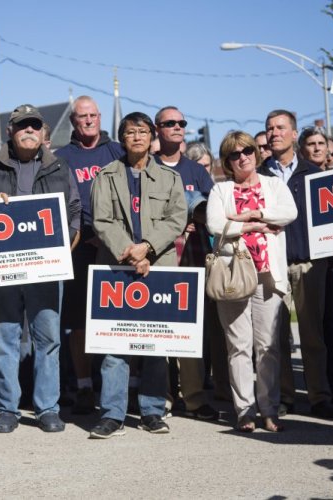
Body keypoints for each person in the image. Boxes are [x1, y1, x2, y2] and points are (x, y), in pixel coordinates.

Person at [0, 104, 81, 433]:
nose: (29, 131)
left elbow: (74, 211)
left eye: (35, 126)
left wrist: (67, 249)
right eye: (22, 126)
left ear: (43, 132)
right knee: (5, 338)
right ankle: (7, 409)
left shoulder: (59, 166)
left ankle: (47, 408)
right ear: (10, 131)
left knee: (47, 339)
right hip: (2, 268)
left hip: (46, 269)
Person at [88, 111, 186, 438]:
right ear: (122, 138)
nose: (137, 137)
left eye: (143, 131)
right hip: (118, 268)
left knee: (156, 345)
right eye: (131, 132)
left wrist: (147, 248)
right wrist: (132, 253)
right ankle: (112, 414)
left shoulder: (170, 178)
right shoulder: (106, 176)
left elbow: (176, 219)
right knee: (115, 345)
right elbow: (102, 220)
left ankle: (152, 412)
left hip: (158, 266)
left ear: (151, 137)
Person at [207, 131, 296, 432]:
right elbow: (215, 224)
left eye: (247, 150)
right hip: (234, 274)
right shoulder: (221, 191)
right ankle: (244, 410)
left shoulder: (274, 185)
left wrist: (254, 212)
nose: (242, 157)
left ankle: (269, 409)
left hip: (268, 276)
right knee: (239, 346)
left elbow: (289, 212)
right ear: (227, 161)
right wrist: (258, 225)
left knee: (268, 346)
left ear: (256, 154)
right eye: (234, 154)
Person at [259, 109, 333, 420]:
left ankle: (319, 396)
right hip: (271, 264)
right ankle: (285, 396)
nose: (274, 133)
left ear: (294, 135)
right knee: (275, 335)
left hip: (309, 263)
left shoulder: (314, 174)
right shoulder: (259, 175)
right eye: (269, 128)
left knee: (312, 333)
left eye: (281, 127)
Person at [55, 95, 124, 414]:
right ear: (73, 121)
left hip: (116, 247)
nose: (88, 120)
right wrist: (86, 233)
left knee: (120, 318)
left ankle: (126, 387)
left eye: (93, 115)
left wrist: (112, 235)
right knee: (78, 320)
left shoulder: (118, 151)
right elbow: (57, 202)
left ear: (100, 117)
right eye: (82, 116)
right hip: (79, 246)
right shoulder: (61, 157)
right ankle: (84, 387)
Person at [153, 106, 221, 420]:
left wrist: (199, 218)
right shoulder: (146, 166)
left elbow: (216, 211)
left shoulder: (195, 170)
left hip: (192, 255)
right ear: (158, 129)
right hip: (159, 255)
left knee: (190, 330)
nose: (178, 127)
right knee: (160, 327)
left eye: (182, 122)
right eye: (170, 123)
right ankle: (163, 397)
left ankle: (194, 397)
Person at [299, 125, 333, 403]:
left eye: (321, 143)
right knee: (312, 325)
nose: (317, 148)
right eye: (311, 143)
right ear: (302, 148)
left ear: (329, 147)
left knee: (331, 323)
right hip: (309, 259)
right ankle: (315, 385)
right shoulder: (300, 180)